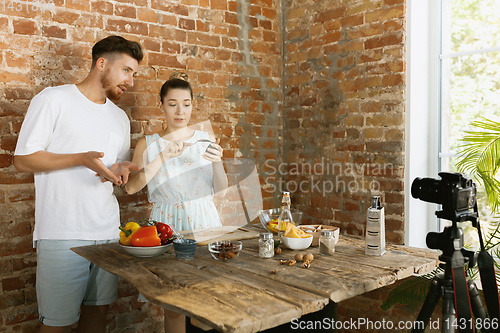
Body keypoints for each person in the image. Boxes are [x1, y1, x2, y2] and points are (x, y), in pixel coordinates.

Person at [13, 35, 143, 333]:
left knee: (96, 320)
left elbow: (106, 171)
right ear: (101, 64)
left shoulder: (120, 118)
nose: (131, 81)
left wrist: (118, 169)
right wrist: (80, 159)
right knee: (57, 326)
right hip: (62, 233)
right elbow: (23, 160)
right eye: (126, 70)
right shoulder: (53, 99)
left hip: (107, 232)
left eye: (134, 73)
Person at [125, 72, 228, 333]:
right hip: (167, 223)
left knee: (209, 300)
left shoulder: (206, 139)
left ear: (193, 105)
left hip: (204, 220)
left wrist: (217, 162)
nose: (180, 111)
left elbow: (222, 190)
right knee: (172, 304)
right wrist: (161, 157)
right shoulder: (147, 143)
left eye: (186, 104)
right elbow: (131, 187)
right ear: (161, 105)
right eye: (172, 104)